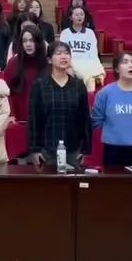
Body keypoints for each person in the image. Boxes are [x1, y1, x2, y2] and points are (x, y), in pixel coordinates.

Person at [29, 41, 92, 169]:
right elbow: (34, 119)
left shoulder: (78, 85)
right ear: (49, 59)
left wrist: (85, 148)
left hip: (73, 149)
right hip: (47, 149)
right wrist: (35, 149)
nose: (63, 57)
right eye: (58, 53)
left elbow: (85, 118)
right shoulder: (40, 85)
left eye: (66, 53)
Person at [92, 52, 132, 166]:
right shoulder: (105, 93)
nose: (131, 65)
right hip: (113, 149)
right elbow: (97, 120)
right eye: (125, 62)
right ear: (117, 69)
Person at [4, 25, 48, 122]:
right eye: (24, 41)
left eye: (32, 40)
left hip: (42, 118)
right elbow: (4, 91)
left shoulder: (47, 63)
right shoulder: (13, 63)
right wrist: (10, 113)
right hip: (18, 118)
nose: (28, 44)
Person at [59, 6, 105, 92]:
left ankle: (89, 93)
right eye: (76, 14)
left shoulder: (90, 33)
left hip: (87, 62)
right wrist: (68, 66)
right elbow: (63, 52)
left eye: (81, 14)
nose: (79, 16)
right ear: (71, 17)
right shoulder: (65, 33)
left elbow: (93, 53)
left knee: (93, 72)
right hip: (72, 63)